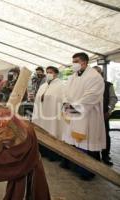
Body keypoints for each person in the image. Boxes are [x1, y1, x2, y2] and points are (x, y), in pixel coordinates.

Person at [0, 109, 51, 200]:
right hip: (27, 166)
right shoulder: (17, 126)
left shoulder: (23, 134)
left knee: (25, 194)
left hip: (29, 172)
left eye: (0, 132)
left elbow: (16, 156)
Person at [62, 52, 105, 180]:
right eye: (73, 61)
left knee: (86, 144)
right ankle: (74, 166)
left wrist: (75, 106)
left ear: (84, 62)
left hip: (88, 116)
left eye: (76, 61)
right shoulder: (72, 77)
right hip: (74, 114)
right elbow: (65, 92)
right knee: (73, 142)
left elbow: (92, 95)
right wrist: (66, 102)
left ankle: (87, 171)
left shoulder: (94, 77)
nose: (73, 64)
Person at [32, 66, 65, 161]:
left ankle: (53, 155)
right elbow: (37, 99)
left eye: (51, 72)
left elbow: (61, 100)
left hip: (52, 115)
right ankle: (42, 151)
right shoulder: (43, 86)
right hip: (42, 115)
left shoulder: (60, 86)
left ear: (56, 74)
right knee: (42, 131)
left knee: (52, 131)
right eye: (47, 72)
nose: (49, 74)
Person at [93, 66, 118, 165]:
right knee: (93, 135)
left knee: (105, 135)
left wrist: (108, 109)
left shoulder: (108, 85)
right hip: (92, 115)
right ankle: (95, 155)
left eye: (98, 72)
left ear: (101, 73)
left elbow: (113, 99)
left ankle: (105, 155)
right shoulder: (89, 85)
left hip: (104, 114)